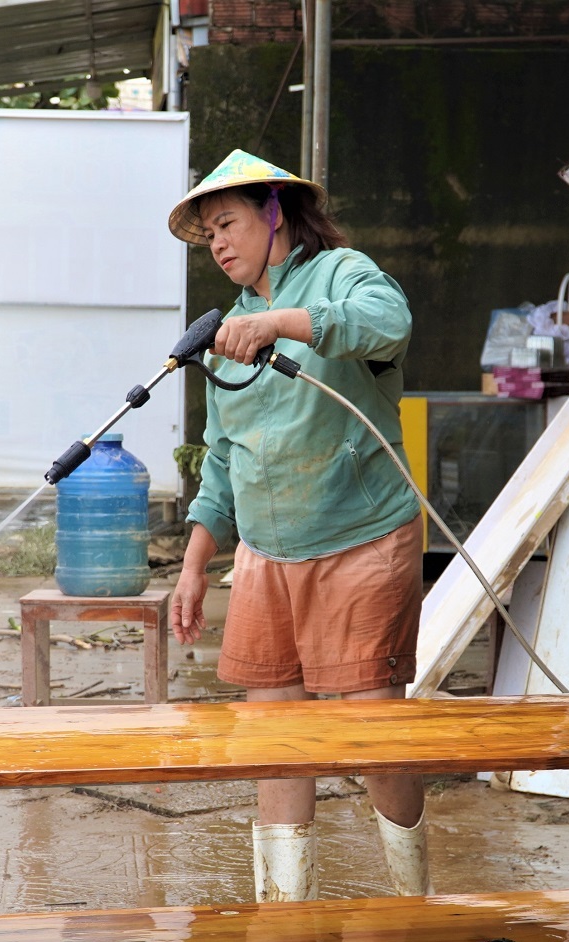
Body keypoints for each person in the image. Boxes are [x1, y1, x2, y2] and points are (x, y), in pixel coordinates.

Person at [166, 149, 429, 903]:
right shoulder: (230, 331)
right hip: (264, 556)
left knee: (376, 740)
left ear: (275, 211)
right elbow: (223, 459)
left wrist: (282, 323)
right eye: (209, 234)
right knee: (275, 744)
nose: (218, 244)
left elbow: (388, 323)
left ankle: (414, 901)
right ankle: (284, 918)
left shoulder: (342, 272)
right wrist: (194, 564)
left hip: (363, 538)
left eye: (228, 223)